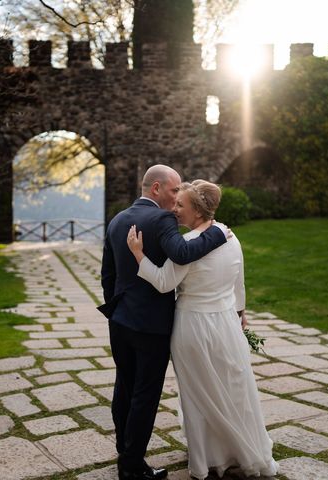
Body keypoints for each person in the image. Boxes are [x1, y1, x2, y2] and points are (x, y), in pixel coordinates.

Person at [126, 180, 278, 480]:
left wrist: (138, 254)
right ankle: (237, 449)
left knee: (197, 394)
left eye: (181, 205)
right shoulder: (231, 238)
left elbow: (163, 282)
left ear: (196, 211)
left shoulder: (188, 246)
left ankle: (206, 458)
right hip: (225, 324)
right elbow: (239, 282)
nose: (175, 209)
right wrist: (240, 314)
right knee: (231, 388)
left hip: (192, 326)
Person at [99, 165, 228, 480]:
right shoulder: (161, 218)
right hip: (151, 326)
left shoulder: (117, 219)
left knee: (124, 386)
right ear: (156, 188)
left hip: (120, 321)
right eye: (173, 191)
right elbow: (183, 253)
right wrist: (216, 232)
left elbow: (108, 275)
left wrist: (118, 309)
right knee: (145, 394)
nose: (176, 199)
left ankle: (125, 450)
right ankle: (130, 467)